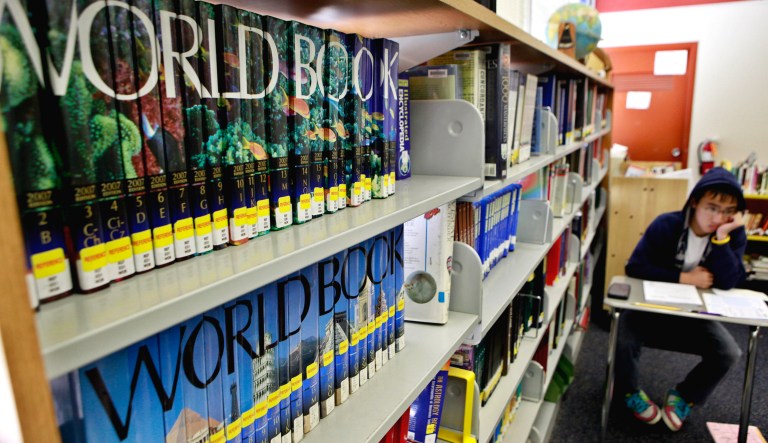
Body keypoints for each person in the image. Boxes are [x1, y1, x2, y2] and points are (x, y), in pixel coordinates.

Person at [615, 167, 747, 432]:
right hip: (650, 309)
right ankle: (628, 393)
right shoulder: (667, 224)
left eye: (727, 211)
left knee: (728, 353)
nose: (718, 217)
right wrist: (683, 278)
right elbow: (635, 267)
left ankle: (684, 395)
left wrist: (721, 241)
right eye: (712, 208)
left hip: (694, 315)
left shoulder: (730, 234)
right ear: (695, 201)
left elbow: (729, 281)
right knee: (623, 338)